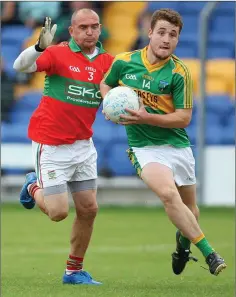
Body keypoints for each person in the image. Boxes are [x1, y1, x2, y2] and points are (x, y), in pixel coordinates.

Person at [100, 8, 227, 276]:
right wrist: (109, 104)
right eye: (161, 33)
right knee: (169, 195)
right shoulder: (123, 62)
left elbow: (183, 118)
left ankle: (183, 247)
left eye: (173, 35)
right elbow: (105, 84)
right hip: (144, 149)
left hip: (177, 146)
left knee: (191, 210)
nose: (166, 39)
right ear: (150, 33)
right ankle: (210, 254)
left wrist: (146, 117)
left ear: (178, 39)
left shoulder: (179, 73)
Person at [13, 9, 113, 285]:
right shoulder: (56, 53)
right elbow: (20, 66)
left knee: (89, 209)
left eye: (94, 26)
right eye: (83, 27)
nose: (89, 32)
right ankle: (33, 185)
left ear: (100, 28)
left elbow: (120, 90)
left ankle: (73, 271)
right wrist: (38, 47)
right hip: (52, 144)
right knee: (58, 213)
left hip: (83, 145)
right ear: (72, 31)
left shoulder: (108, 61)